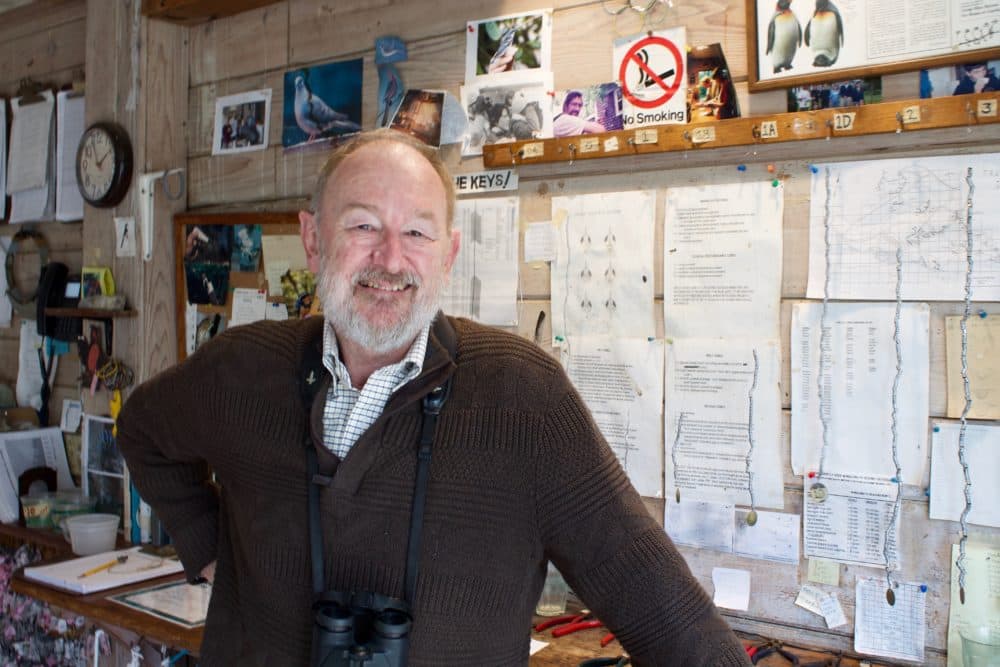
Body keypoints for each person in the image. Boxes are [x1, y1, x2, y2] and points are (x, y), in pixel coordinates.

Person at [117, 128, 751, 667]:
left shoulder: (521, 398)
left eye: (417, 233)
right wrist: (209, 550)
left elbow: (662, 606)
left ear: (447, 254)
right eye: (363, 225)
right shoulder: (243, 369)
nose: (390, 259)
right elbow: (142, 431)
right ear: (313, 240)